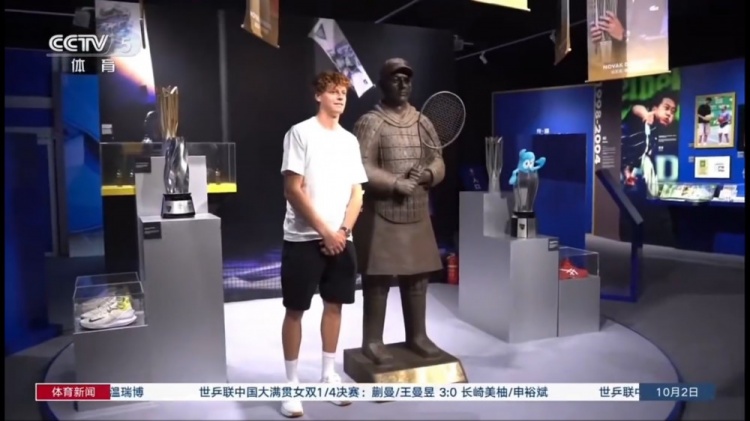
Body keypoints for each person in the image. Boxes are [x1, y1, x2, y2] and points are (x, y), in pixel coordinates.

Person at [278, 70, 368, 418]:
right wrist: (325, 232)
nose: (340, 97)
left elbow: (357, 193)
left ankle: (328, 376)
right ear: (318, 96)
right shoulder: (300, 133)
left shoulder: (350, 141)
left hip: (342, 239)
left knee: (335, 306)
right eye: (333, 91)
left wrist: (342, 230)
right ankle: (291, 385)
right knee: (295, 310)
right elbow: (293, 190)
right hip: (303, 239)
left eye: (343, 91)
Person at [353, 58, 445, 366]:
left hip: (417, 210)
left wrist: (428, 174)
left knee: (418, 278)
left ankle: (418, 336)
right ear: (382, 84)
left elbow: (438, 160)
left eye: (407, 79)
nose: (403, 84)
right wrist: (395, 183)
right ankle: (372, 341)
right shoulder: (371, 122)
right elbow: (361, 166)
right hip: (382, 213)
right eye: (396, 79)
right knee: (378, 280)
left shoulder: (423, 122)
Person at [621, 92, 677, 196]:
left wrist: (628, 173)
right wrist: (645, 115)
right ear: (655, 108)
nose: (669, 114)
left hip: (628, 174)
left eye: (673, 111)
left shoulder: (656, 131)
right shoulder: (639, 120)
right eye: (666, 108)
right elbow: (636, 108)